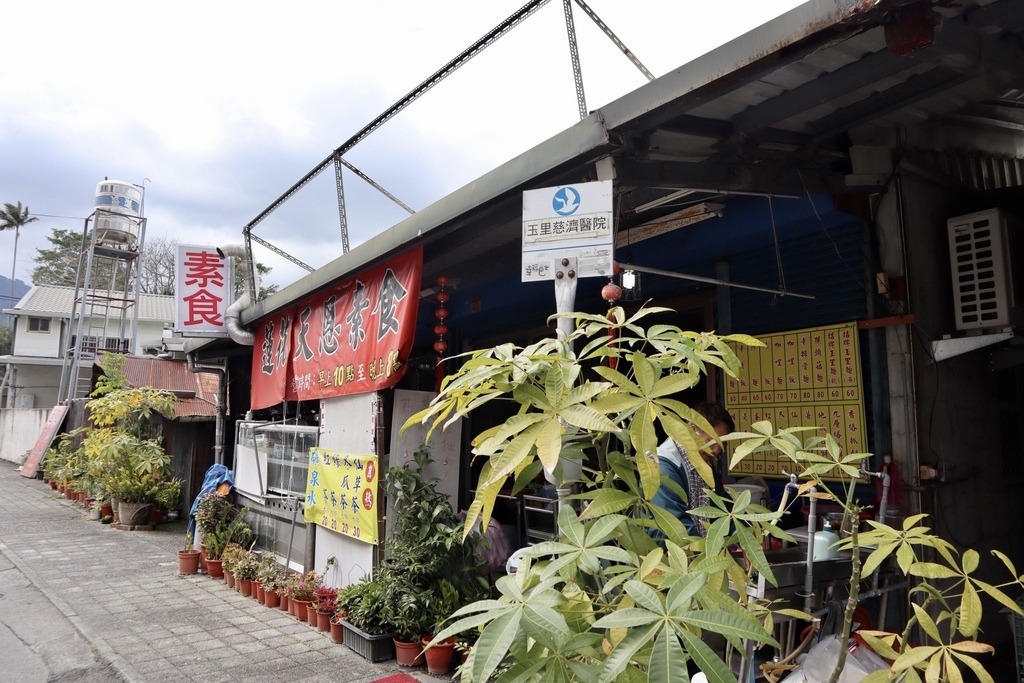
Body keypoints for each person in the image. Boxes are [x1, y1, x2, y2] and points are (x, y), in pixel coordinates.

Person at [649, 400, 735, 538]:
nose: (717, 450)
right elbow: (674, 527)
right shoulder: (661, 466)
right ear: (693, 430)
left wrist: (743, 534)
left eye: (722, 444)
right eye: (711, 442)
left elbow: (723, 508)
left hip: (698, 554)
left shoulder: (705, 465)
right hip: (666, 555)